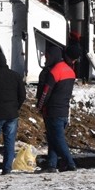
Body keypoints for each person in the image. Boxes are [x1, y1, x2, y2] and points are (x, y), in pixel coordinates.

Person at [35, 43, 79, 172]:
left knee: (58, 140)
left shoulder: (55, 71)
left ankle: (70, 163)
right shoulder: (70, 72)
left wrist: (39, 106)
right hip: (64, 110)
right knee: (53, 139)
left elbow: (46, 92)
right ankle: (51, 165)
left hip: (53, 111)